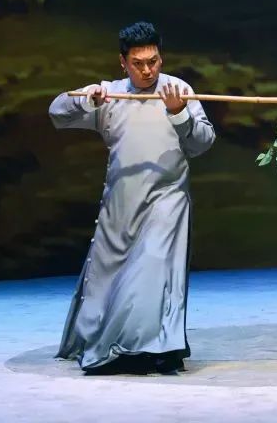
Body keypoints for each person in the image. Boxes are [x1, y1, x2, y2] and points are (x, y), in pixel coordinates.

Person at [48, 21, 215, 374]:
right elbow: (57, 114)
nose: (147, 70)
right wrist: (85, 99)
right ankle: (118, 342)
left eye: (153, 61)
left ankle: (145, 348)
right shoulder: (109, 94)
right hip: (120, 203)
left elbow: (202, 142)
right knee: (108, 280)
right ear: (123, 62)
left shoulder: (178, 90)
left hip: (166, 200)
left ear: (161, 58)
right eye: (138, 63)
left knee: (152, 271)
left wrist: (179, 113)